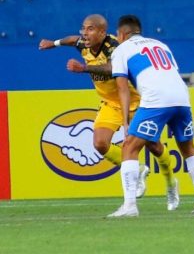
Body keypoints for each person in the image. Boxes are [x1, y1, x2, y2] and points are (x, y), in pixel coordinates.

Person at [39, 14, 178, 208]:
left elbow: (113, 68)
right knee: (100, 144)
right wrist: (53, 43)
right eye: (84, 28)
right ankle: (136, 170)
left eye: (90, 29)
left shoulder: (115, 47)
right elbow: (72, 39)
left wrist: (84, 68)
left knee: (154, 147)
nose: (84, 33)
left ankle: (170, 181)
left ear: (103, 32)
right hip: (110, 104)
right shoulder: (84, 43)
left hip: (136, 102)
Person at [107, 15, 194, 217]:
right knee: (189, 149)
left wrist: (125, 121)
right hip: (182, 96)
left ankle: (129, 206)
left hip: (156, 98)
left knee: (129, 147)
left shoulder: (121, 49)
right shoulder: (160, 44)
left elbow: (122, 88)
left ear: (121, 34)